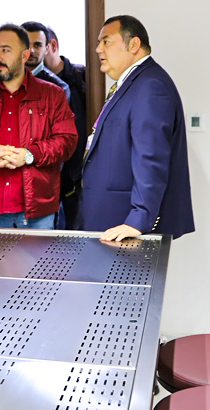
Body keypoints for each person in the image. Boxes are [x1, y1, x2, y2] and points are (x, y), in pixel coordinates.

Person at [79, 15, 195, 241]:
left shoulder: (150, 86)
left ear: (133, 44)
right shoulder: (132, 84)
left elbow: (150, 157)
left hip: (126, 221)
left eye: (106, 41)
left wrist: (139, 220)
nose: (98, 49)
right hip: (111, 217)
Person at [0, 24, 77, 230]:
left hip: (37, 209)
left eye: (5, 50)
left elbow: (67, 141)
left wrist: (29, 155)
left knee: (38, 254)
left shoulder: (52, 94)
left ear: (24, 55)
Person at [41, 25, 87, 228]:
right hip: (44, 172)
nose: (30, 53)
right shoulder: (29, 83)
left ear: (52, 46)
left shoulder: (81, 77)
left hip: (76, 174)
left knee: (76, 232)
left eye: (37, 46)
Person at [21, 21, 71, 102]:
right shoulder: (3, 80)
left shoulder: (59, 88)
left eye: (37, 45)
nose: (31, 50)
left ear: (47, 49)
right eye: (26, 44)